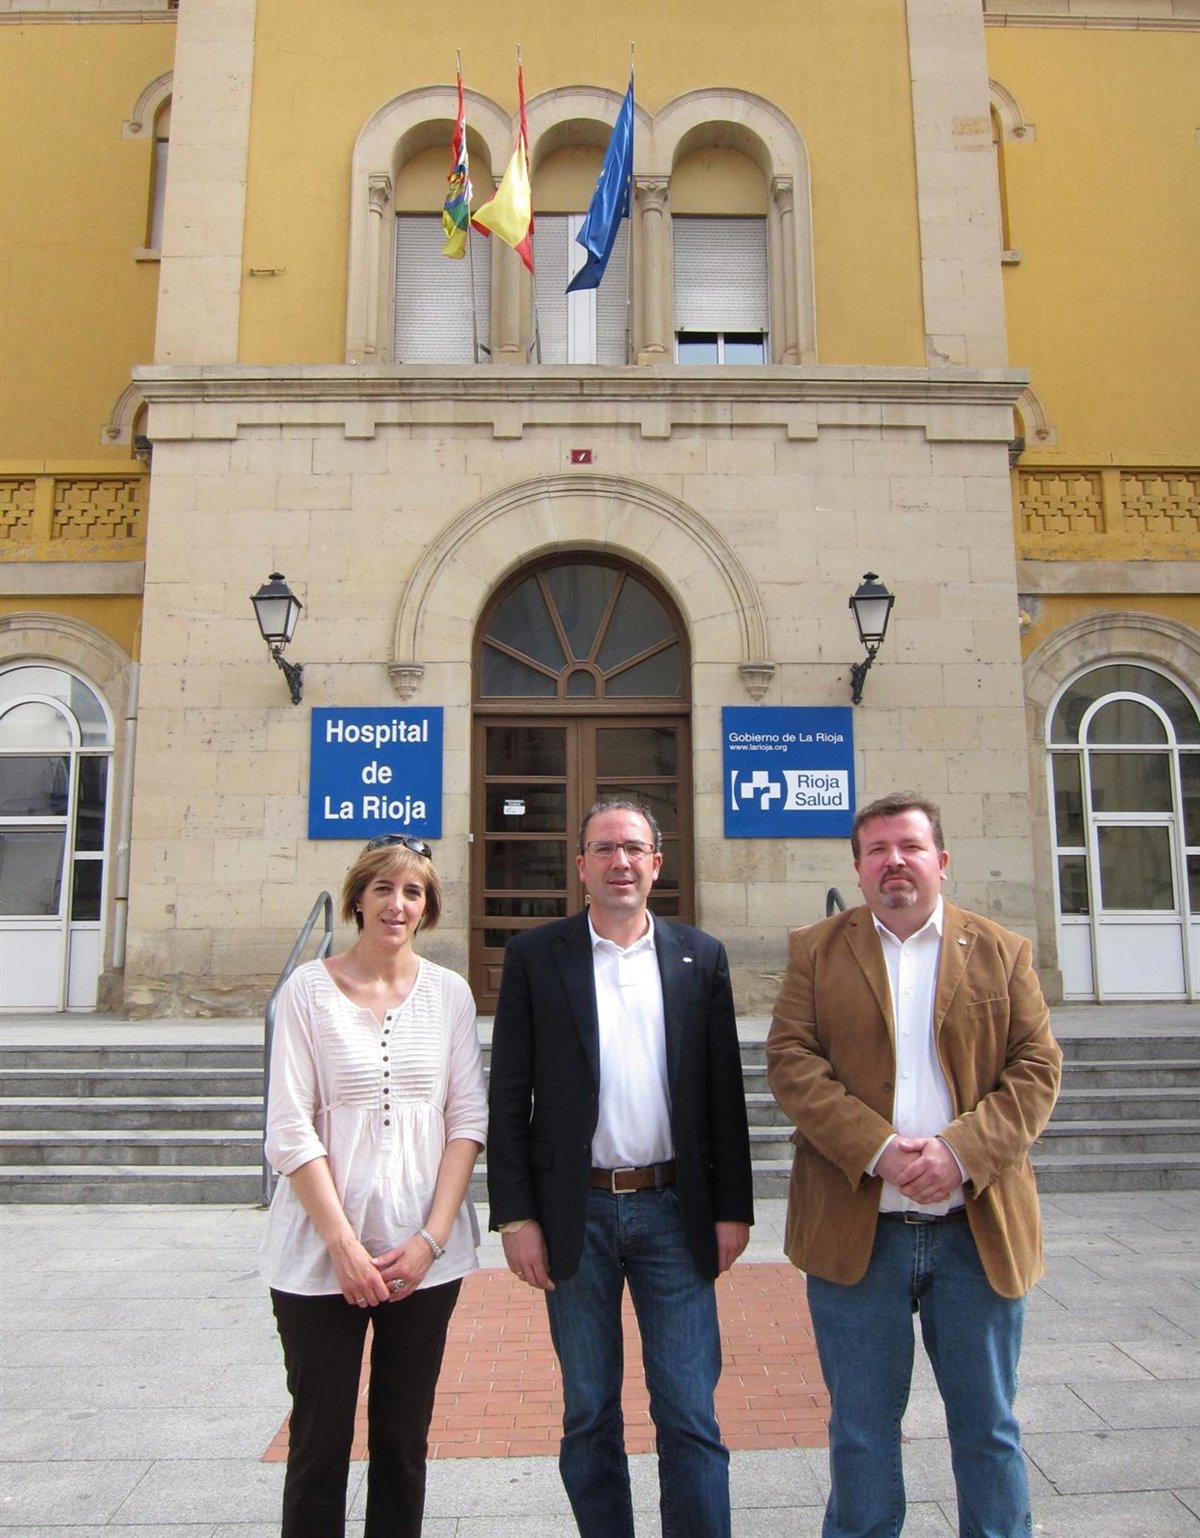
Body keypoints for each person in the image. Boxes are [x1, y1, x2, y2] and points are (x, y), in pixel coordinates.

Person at [766, 792, 1062, 1538]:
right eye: (877, 850)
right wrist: (879, 1151)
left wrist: (960, 1153)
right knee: (861, 1429)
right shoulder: (815, 950)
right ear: (858, 868)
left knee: (988, 1425)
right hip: (858, 1233)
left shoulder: (1001, 950)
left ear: (942, 860)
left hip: (976, 1230)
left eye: (910, 847)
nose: (894, 862)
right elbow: (792, 1062)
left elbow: (1036, 1070)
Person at [487, 798, 755, 1538]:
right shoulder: (536, 957)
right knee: (589, 1412)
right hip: (577, 1213)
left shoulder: (700, 957)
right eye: (604, 849)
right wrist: (516, 1215)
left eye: (634, 848)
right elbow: (507, 1096)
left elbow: (724, 1095)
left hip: (675, 1209)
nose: (620, 862)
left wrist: (733, 1208)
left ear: (657, 864)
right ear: (581, 866)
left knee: (690, 1412)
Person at [259, 834, 487, 1538]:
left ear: (428, 908)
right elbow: (290, 1128)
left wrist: (431, 1240)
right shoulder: (307, 991)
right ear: (357, 897)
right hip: (320, 1255)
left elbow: (466, 1120)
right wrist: (343, 1247)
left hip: (423, 1257)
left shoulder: (449, 994)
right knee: (318, 1440)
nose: (397, 904)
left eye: (413, 892)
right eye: (383, 888)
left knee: (401, 1440)